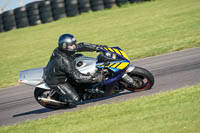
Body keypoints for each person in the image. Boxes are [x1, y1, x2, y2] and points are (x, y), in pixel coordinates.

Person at [44, 34, 106, 106]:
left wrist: (99, 47)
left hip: (63, 70)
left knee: (80, 57)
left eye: (74, 43)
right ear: (64, 46)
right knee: (75, 99)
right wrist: (95, 78)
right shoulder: (63, 60)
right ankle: (58, 99)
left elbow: (82, 45)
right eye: (71, 45)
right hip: (57, 81)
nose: (74, 46)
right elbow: (78, 77)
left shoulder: (62, 50)